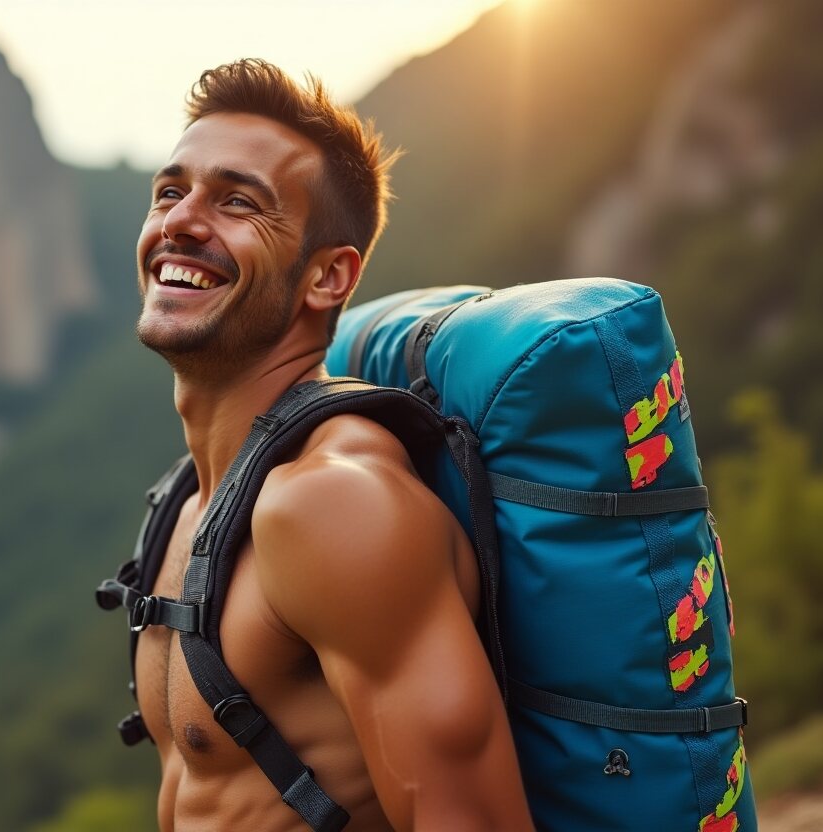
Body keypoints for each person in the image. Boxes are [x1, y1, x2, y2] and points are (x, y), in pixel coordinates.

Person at [131, 59, 534, 831]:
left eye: (238, 201)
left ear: (327, 278)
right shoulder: (188, 504)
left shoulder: (332, 505)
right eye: (170, 191)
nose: (180, 220)